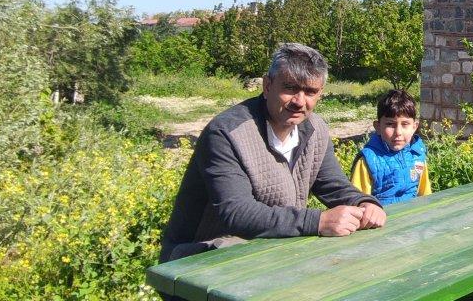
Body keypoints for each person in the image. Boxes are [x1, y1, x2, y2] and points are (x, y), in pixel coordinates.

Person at [159, 43, 386, 264]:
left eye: (310, 92)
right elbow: (237, 212)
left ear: (320, 94)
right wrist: (318, 221)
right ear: (267, 86)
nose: (299, 101)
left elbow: (331, 184)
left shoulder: (315, 129)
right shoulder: (226, 133)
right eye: (290, 88)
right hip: (199, 259)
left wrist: (363, 202)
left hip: (267, 253)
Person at [349, 90, 432, 205]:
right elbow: (357, 202)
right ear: (378, 127)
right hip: (380, 220)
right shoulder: (368, 160)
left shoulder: (417, 154)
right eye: (390, 124)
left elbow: (424, 193)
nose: (398, 132)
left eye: (405, 124)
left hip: (413, 217)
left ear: (414, 127)